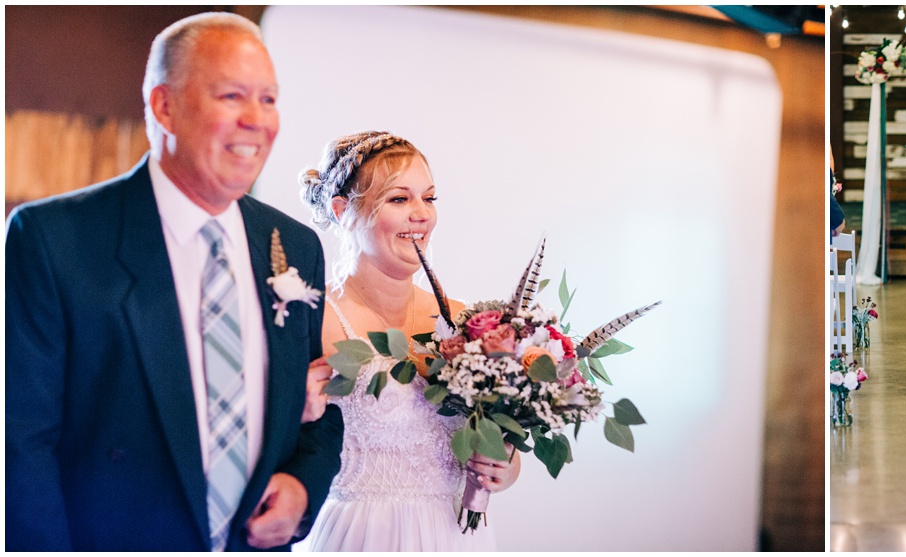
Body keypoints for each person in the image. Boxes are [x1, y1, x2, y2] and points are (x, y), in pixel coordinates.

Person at [5, 12, 344, 551]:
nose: (257, 120)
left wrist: (304, 489)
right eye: (233, 96)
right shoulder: (54, 239)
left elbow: (320, 409)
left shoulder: (295, 247)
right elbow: (20, 444)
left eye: (269, 99)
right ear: (164, 106)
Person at [297, 131, 520, 551]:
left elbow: (498, 444)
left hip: (457, 537)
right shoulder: (317, 318)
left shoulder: (467, 322)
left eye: (429, 199)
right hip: (361, 536)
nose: (421, 214)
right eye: (399, 199)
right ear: (343, 211)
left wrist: (502, 468)